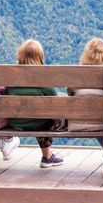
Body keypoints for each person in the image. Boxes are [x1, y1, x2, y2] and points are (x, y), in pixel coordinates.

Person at [7, 39, 64, 168]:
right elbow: (53, 96)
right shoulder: (43, 78)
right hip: (39, 122)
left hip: (15, 122)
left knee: (39, 113)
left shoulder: (10, 76)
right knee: (49, 113)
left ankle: (48, 156)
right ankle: (47, 156)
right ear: (40, 57)